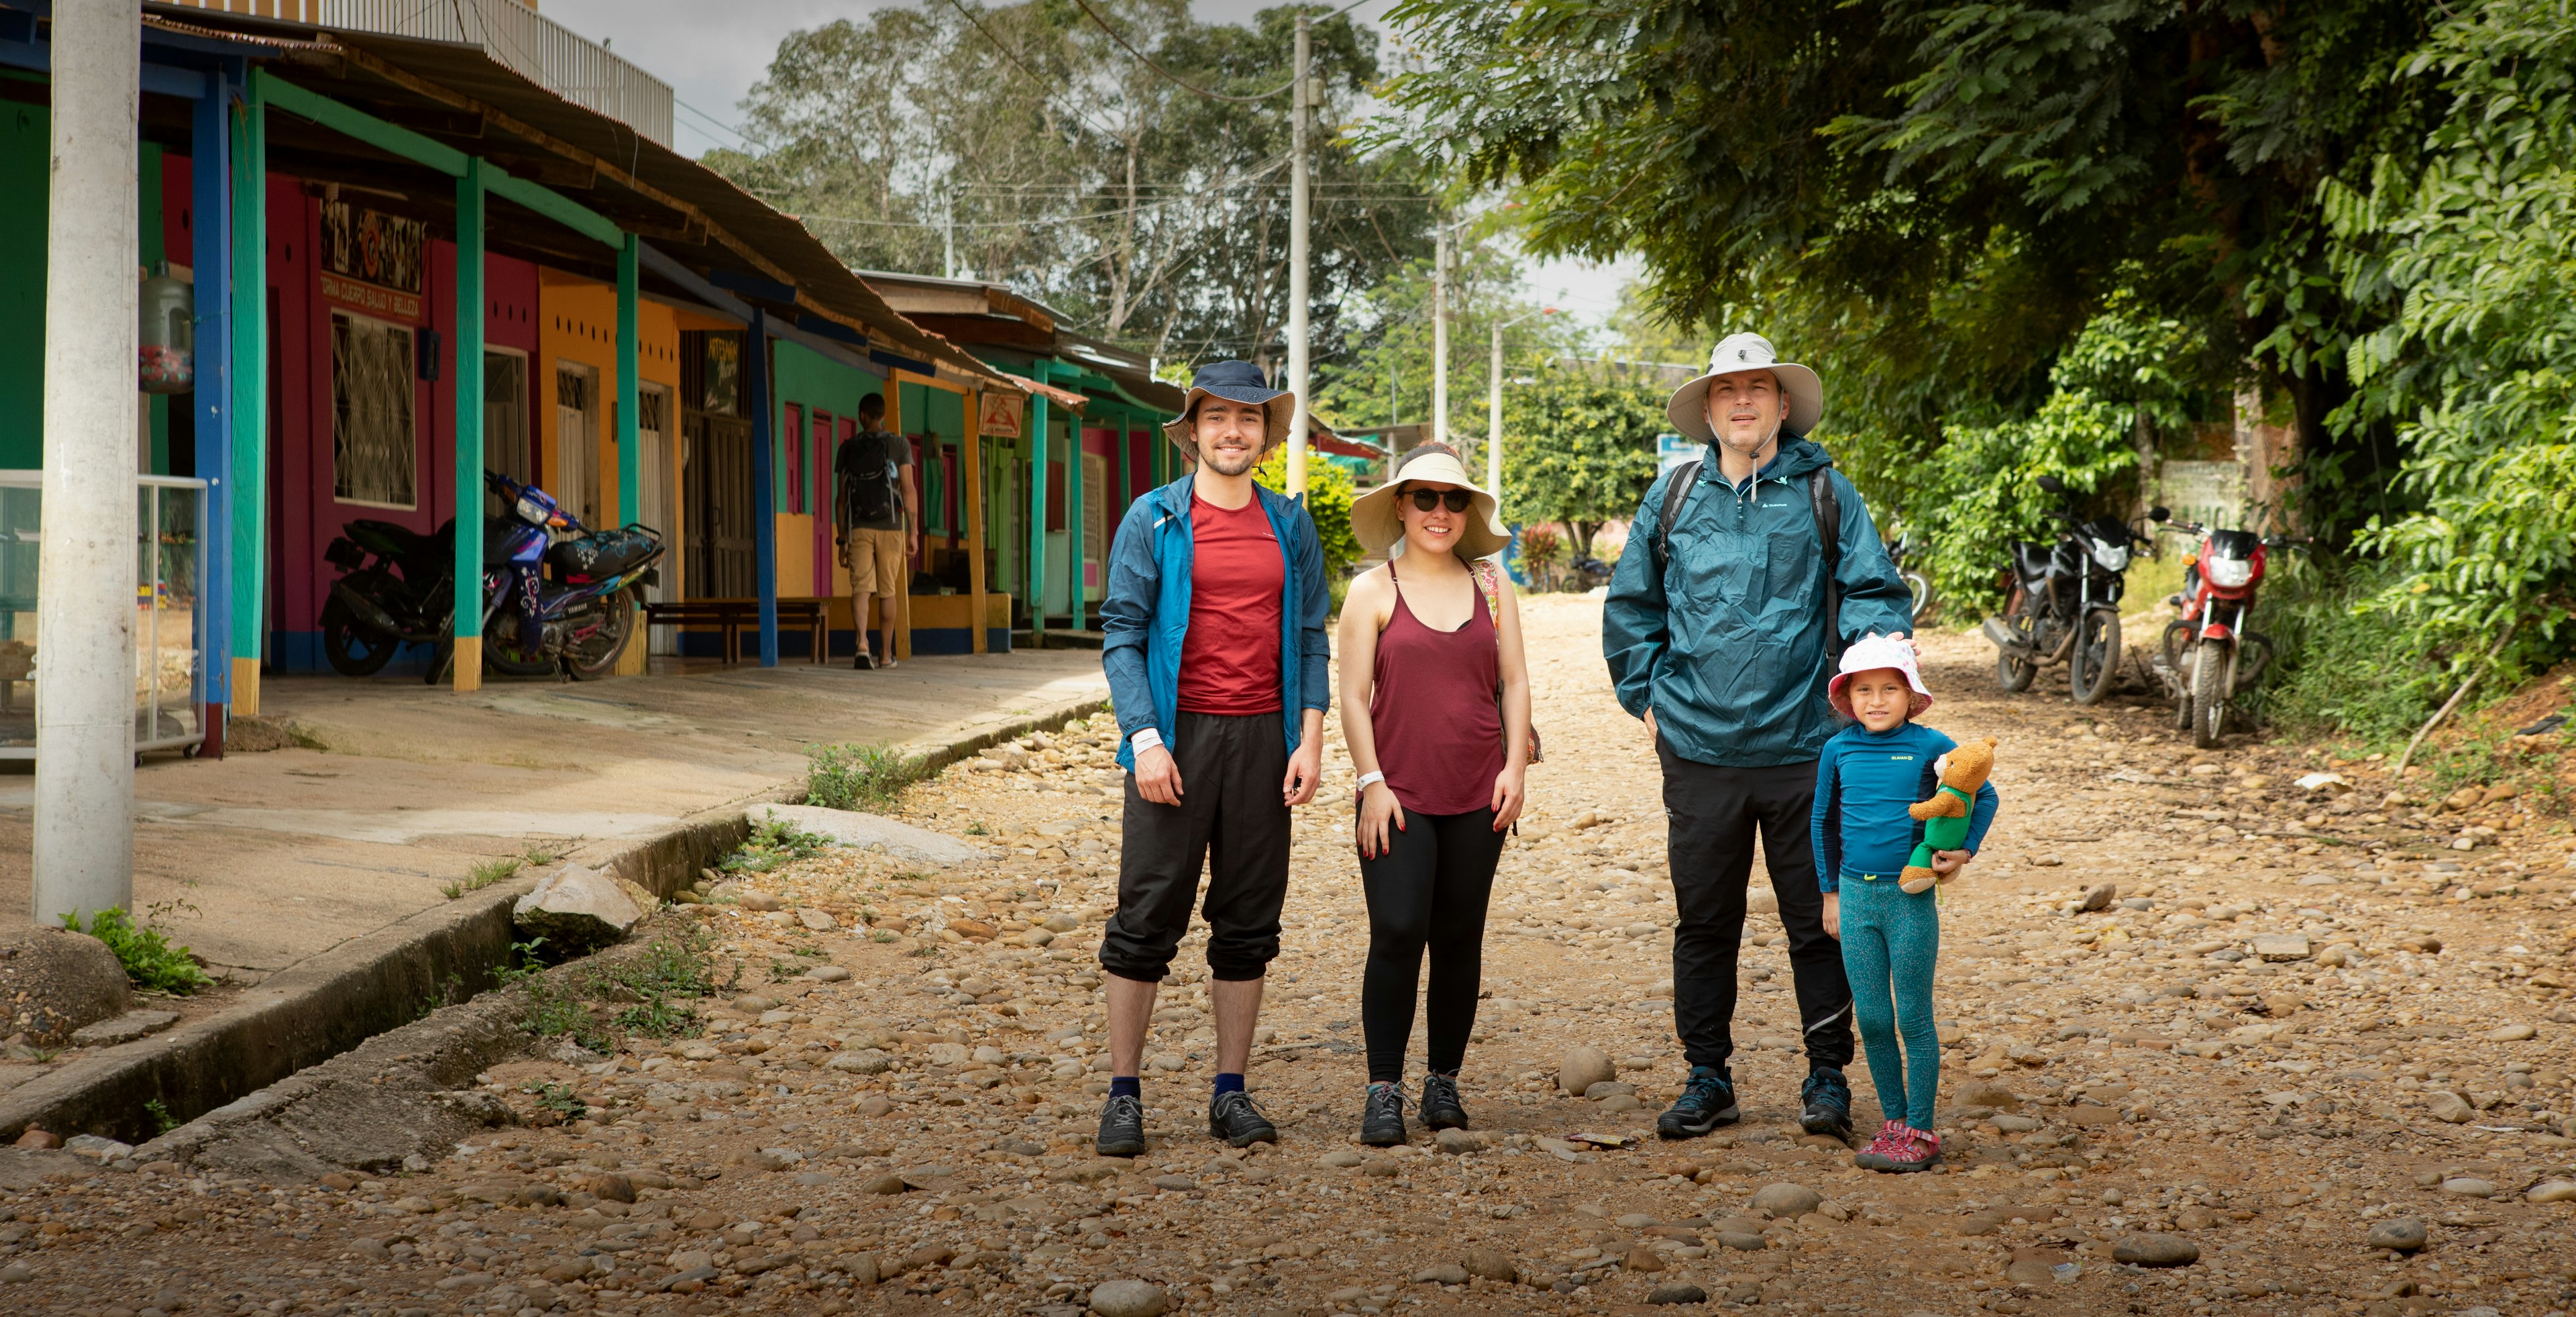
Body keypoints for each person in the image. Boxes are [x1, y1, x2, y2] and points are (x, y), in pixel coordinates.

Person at [1601, 332, 1915, 1143]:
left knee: (1819, 920)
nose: (1742, 401)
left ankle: (1828, 1078)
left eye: (1758, 388)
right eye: (1726, 390)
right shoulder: (1671, 498)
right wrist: (1649, 700)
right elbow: (1633, 608)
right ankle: (1708, 1076)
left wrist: (1870, 691)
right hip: (1699, 751)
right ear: (1708, 411)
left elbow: (1875, 594)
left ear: (1782, 404)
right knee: (1705, 921)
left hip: (1808, 746)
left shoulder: (1827, 492)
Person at [1094, 360, 1330, 1157]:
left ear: (1267, 435)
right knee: (1146, 912)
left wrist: (1311, 736)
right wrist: (1146, 738)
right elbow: (1122, 632)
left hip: (1263, 738)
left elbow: (1308, 638)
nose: (1235, 431)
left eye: (1251, 419)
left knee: (1249, 916)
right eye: (1219, 418)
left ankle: (1231, 1093)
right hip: (1176, 736)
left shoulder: (1290, 524)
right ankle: (1124, 1094)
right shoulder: (1154, 518)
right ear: (1193, 431)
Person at [1335, 443, 1531, 1146]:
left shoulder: (1491, 584)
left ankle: (1442, 1081)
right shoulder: (1372, 590)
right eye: (1426, 498)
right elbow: (1353, 697)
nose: (1440, 512)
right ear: (1400, 505)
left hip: (1481, 792)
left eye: (1454, 501)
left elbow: (1515, 684)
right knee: (1395, 932)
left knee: (1458, 939)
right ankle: (1382, 1086)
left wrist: (1515, 769)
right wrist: (1370, 781)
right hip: (1397, 792)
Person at [1811, 633, 1997, 1171]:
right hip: (1854, 896)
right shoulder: (1837, 749)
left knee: (1913, 1015)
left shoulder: (1931, 745)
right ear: (1847, 698)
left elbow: (1982, 792)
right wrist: (1830, 893)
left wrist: (1964, 849)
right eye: (1863, 690)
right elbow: (1821, 821)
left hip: (1908, 897)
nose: (1876, 700)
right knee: (1870, 1016)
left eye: (1889, 689)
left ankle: (1921, 1128)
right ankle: (1892, 1122)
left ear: (1911, 695)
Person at [833, 393, 918, 670]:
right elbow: (908, 489)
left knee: (860, 588)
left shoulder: (848, 448)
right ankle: (884, 654)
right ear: (882, 416)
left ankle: (861, 645)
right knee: (887, 591)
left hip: (859, 527)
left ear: (862, 416)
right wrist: (913, 531)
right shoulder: (898, 445)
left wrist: (841, 540)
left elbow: (842, 499)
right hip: (892, 526)